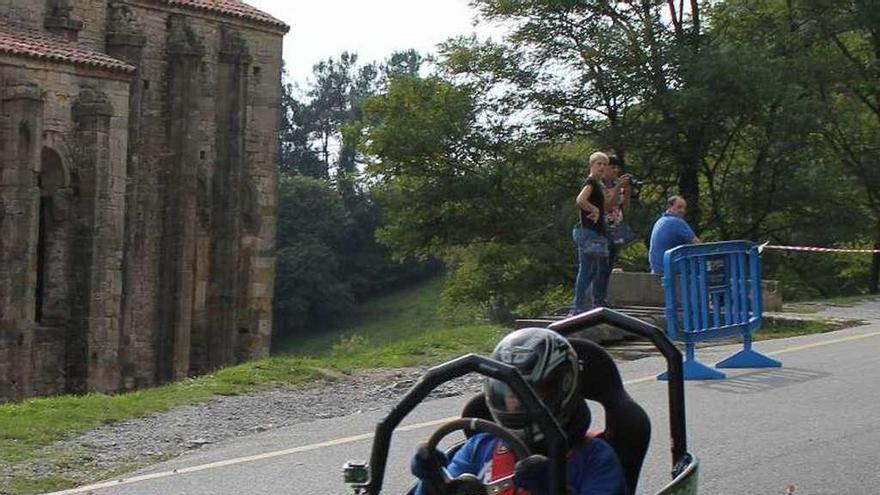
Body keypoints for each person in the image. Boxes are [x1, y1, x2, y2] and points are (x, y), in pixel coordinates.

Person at [410, 327, 627, 495]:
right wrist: (432, 482)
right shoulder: (480, 447)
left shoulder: (594, 457)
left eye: (531, 391)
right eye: (509, 391)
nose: (515, 400)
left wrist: (554, 488)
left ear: (562, 389)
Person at [571, 152, 610, 314]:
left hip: (595, 231)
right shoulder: (591, 183)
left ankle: (582, 305)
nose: (602, 167)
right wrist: (593, 209)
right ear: (592, 165)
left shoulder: (598, 185)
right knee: (587, 269)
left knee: (593, 269)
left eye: (604, 164)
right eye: (598, 164)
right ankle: (578, 306)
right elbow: (580, 200)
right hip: (588, 231)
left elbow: (605, 206)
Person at [596, 155, 632, 307]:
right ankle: (597, 299)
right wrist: (618, 188)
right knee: (601, 265)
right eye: (612, 167)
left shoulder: (619, 185)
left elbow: (626, 209)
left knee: (609, 264)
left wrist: (628, 191)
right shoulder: (599, 186)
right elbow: (608, 206)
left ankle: (603, 297)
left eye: (617, 168)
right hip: (602, 229)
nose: (615, 171)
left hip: (616, 229)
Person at [648, 195, 701, 275]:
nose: (682, 211)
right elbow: (698, 245)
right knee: (707, 266)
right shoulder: (676, 222)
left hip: (657, 268)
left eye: (684, 208)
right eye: (679, 207)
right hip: (669, 268)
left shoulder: (660, 221)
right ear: (669, 206)